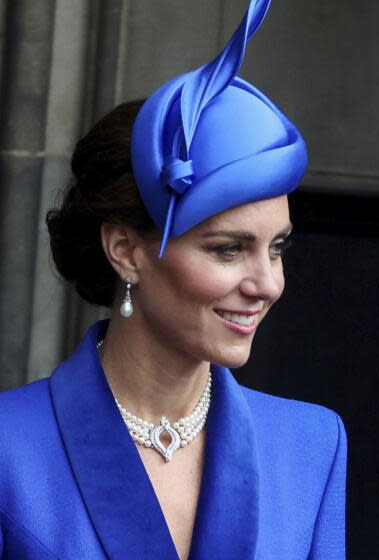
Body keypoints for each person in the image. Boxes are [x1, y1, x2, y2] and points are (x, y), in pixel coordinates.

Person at [0, 1, 346, 558]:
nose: (267, 284)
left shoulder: (310, 446)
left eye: (276, 248)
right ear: (126, 250)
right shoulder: (10, 448)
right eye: (229, 249)